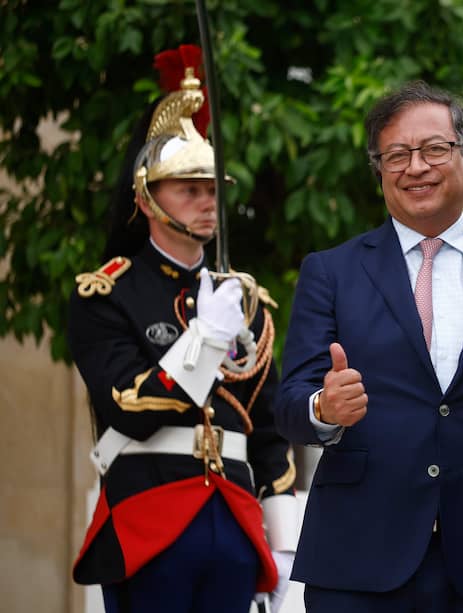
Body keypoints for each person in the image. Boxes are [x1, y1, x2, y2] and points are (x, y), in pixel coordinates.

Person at [274, 80, 463, 612]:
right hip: (359, 558)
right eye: (396, 155)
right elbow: (288, 406)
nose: (415, 167)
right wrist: (323, 409)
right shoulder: (331, 272)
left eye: (434, 149)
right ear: (380, 170)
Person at [68, 45, 298, 613]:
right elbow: (127, 403)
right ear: (147, 199)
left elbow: (267, 431)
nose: (206, 202)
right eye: (189, 190)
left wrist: (286, 541)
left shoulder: (246, 300)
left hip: (237, 521)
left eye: (213, 189)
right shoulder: (107, 291)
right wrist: (205, 340)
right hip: (152, 516)